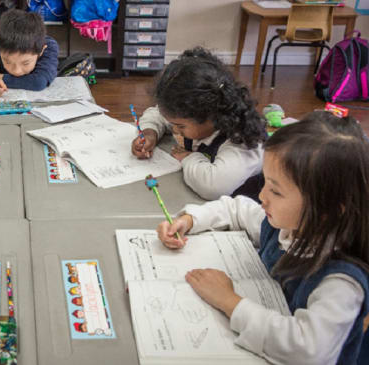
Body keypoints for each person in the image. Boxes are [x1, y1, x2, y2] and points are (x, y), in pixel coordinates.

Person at [156, 111, 369, 364]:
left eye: (276, 191)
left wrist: (230, 302)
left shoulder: (341, 282)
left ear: (326, 209)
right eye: (265, 182)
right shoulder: (287, 225)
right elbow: (235, 209)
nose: (262, 196)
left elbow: (309, 351)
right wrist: (191, 219)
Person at [131, 47, 267, 201]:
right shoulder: (197, 117)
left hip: (250, 213)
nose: (175, 130)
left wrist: (189, 158)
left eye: (181, 126)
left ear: (211, 116)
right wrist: (150, 133)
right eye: (172, 123)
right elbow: (156, 114)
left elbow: (213, 186)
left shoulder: (242, 140)